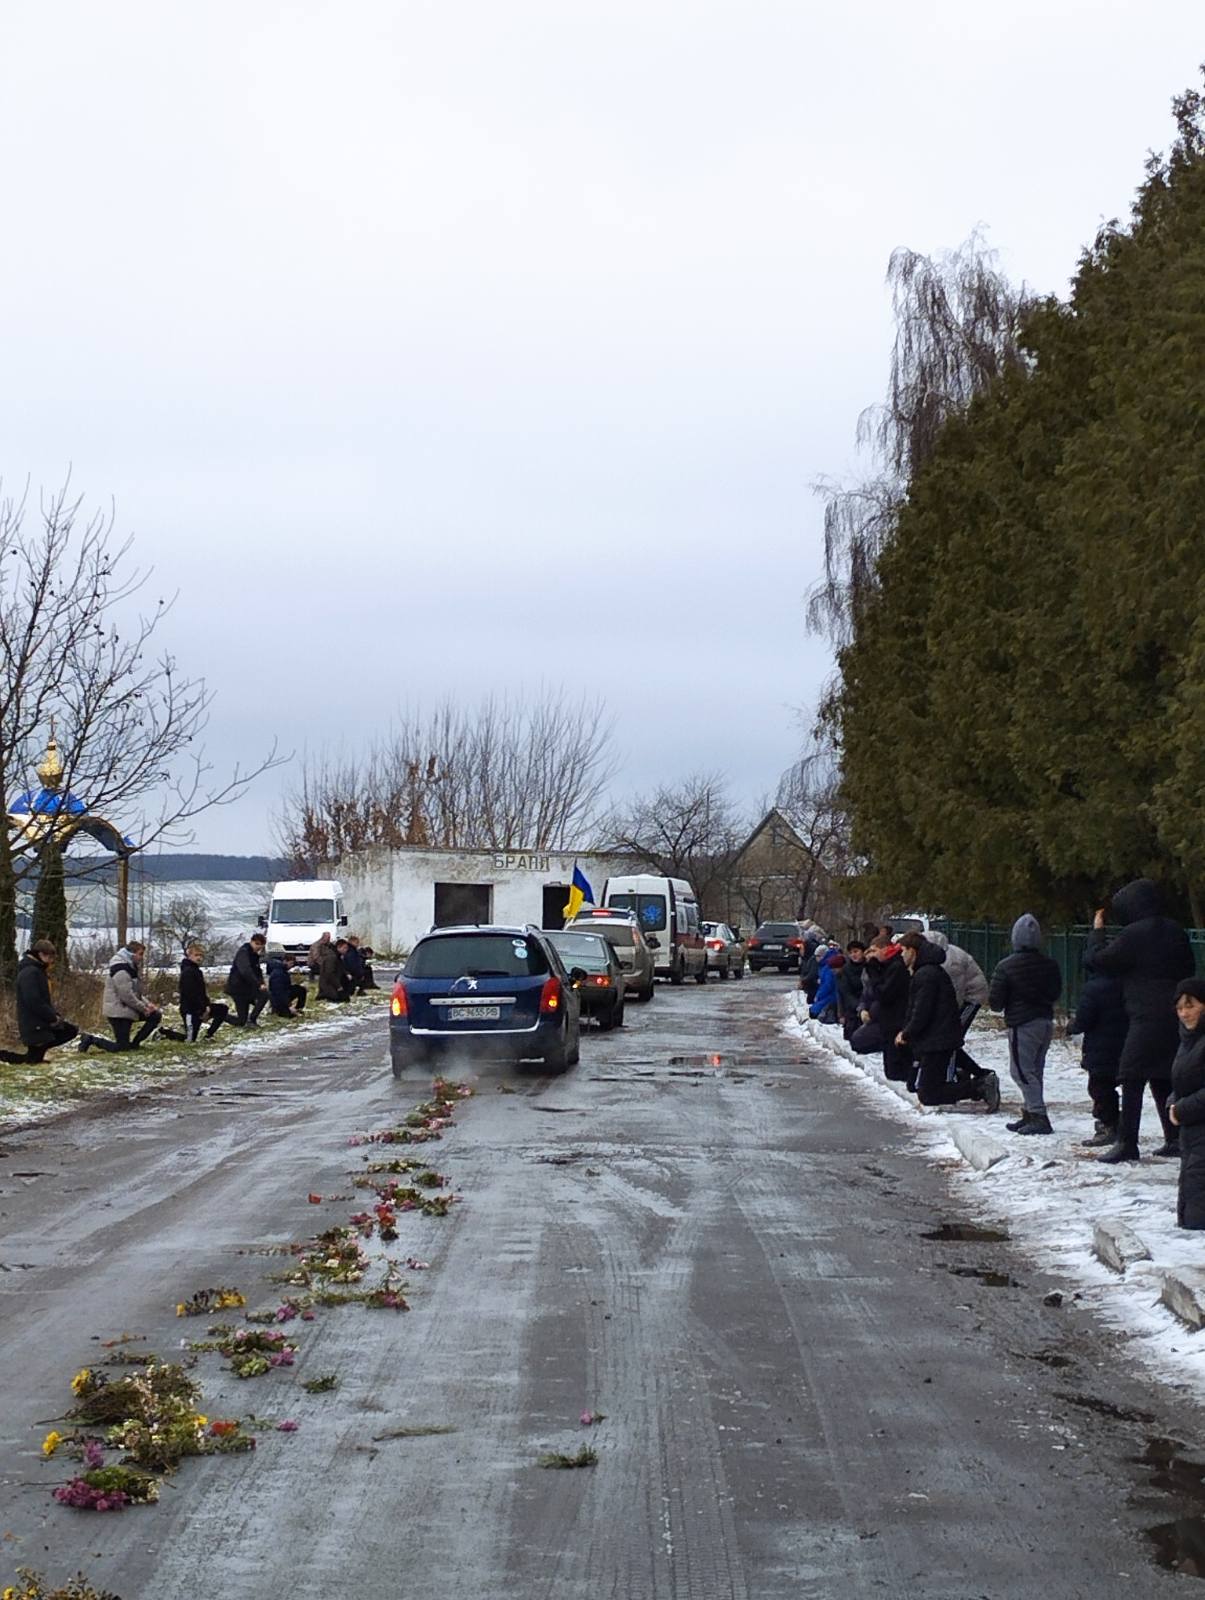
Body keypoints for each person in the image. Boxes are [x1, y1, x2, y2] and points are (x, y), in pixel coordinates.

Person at [1088, 879, 1195, 1164]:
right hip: (1175, 1013)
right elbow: (1189, 968)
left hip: (1145, 1015)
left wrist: (1097, 933)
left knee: (1131, 1076)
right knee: (1162, 1075)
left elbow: (1099, 960)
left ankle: (1127, 1142)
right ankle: (1173, 1138)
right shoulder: (1176, 931)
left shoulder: (1134, 934)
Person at [896, 932, 995, 1108]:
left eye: (903, 950)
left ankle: (979, 1086)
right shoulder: (927, 971)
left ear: (912, 950)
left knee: (928, 1094)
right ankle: (978, 1081)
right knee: (926, 1090)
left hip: (937, 1039)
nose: (901, 955)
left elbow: (922, 1010)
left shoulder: (927, 974)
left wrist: (907, 1032)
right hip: (935, 1038)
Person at [988, 914, 1062, 1135]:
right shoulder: (1050, 964)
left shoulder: (1006, 967)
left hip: (1022, 1023)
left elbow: (996, 1002)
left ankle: (1038, 1116)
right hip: (1045, 1022)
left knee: (1020, 1070)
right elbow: (1056, 993)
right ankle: (1030, 1113)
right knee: (1035, 1070)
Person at [1066, 948, 1127, 1148]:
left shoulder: (1093, 988)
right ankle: (1117, 1123)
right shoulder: (1126, 984)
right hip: (1123, 1044)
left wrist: (1072, 1027)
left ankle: (1108, 1125)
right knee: (1113, 1085)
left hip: (1100, 1047)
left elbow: (1084, 1019)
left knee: (1099, 1088)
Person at [925, 930, 994, 1100]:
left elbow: (954, 992)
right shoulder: (939, 958)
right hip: (959, 1000)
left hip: (971, 998)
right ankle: (971, 1072)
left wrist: (946, 1017)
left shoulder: (950, 962)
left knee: (950, 1040)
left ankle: (950, 1080)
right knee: (949, 1040)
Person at [0, 939, 79, 1064]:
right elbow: (33, 1000)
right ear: (40, 954)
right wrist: (52, 1017)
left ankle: (35, 1058)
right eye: (48, 956)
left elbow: (42, 999)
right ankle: (4, 1056)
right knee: (30, 1060)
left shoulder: (37, 970)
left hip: (39, 1022)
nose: (51, 960)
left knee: (69, 1030)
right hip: (35, 1024)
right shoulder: (30, 972)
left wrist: (53, 1015)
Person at [1168, 978, 1205, 1229]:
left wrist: (1181, 1109)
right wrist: (1174, 1101)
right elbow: (1184, 1080)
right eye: (1180, 1008)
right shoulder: (1189, 1040)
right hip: (1192, 1132)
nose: (1184, 1013)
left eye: (1190, 1005)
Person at [80, 941, 162, 1053]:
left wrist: (148, 1005)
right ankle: (90, 1039)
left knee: (155, 1015)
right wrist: (144, 1009)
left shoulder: (130, 968)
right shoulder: (121, 970)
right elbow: (127, 996)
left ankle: (135, 1044)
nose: (141, 957)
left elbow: (135, 993)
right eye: (140, 954)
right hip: (118, 1012)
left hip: (126, 1008)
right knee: (122, 1048)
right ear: (131, 954)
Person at [864, 938, 913, 1087]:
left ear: (884, 949)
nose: (871, 955)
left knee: (895, 1069)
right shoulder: (888, 965)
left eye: (874, 951)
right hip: (889, 1020)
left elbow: (883, 994)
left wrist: (873, 971)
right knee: (891, 1070)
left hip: (896, 1019)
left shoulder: (896, 967)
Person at [164, 944, 231, 1042]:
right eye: (196, 955)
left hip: (201, 1007)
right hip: (190, 1010)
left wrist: (207, 1005)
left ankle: (209, 1035)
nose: (199, 958)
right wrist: (203, 1008)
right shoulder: (188, 972)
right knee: (190, 1040)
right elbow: (190, 994)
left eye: (201, 955)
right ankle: (164, 1033)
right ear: (189, 955)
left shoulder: (196, 970)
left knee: (222, 1009)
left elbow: (201, 992)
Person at [226, 933, 269, 1027]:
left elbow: (257, 970)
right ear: (251, 941)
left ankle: (252, 1019)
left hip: (248, 987)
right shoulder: (244, 952)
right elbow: (245, 971)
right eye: (256, 944)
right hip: (238, 988)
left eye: (260, 945)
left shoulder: (254, 955)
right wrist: (258, 984)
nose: (258, 947)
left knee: (264, 995)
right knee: (241, 1021)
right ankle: (221, 1015)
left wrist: (262, 983)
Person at [836, 941, 867, 1040]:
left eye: (856, 951)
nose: (854, 955)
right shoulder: (845, 970)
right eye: (851, 953)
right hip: (853, 1009)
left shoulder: (870, 967)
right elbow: (845, 993)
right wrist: (859, 1008)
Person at [267, 950, 307, 1017]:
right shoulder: (278, 973)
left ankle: (298, 1008)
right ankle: (278, 1009)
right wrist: (289, 1005)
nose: (291, 966)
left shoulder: (282, 970)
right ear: (285, 961)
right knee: (288, 1015)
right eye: (290, 963)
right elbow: (279, 992)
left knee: (301, 989)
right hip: (278, 999)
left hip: (284, 994)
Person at [809, 948, 844, 1024]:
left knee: (815, 1011)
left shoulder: (828, 967)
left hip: (830, 996)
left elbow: (827, 985)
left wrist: (818, 995)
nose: (816, 958)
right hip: (830, 995)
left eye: (818, 956)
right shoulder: (825, 966)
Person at [316, 935, 350, 1002]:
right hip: (329, 985)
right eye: (344, 948)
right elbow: (329, 973)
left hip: (333, 983)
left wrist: (347, 973)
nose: (346, 950)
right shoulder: (332, 957)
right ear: (338, 947)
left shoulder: (337, 956)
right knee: (340, 998)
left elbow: (341, 967)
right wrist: (338, 986)